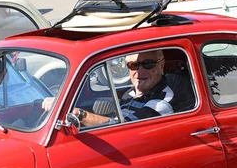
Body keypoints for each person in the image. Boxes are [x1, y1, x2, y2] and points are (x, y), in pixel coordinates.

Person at [42, 51, 180, 126]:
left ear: (161, 66)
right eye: (133, 65)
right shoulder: (131, 93)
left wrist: (76, 113)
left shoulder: (161, 102)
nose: (139, 70)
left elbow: (124, 128)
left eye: (148, 64)